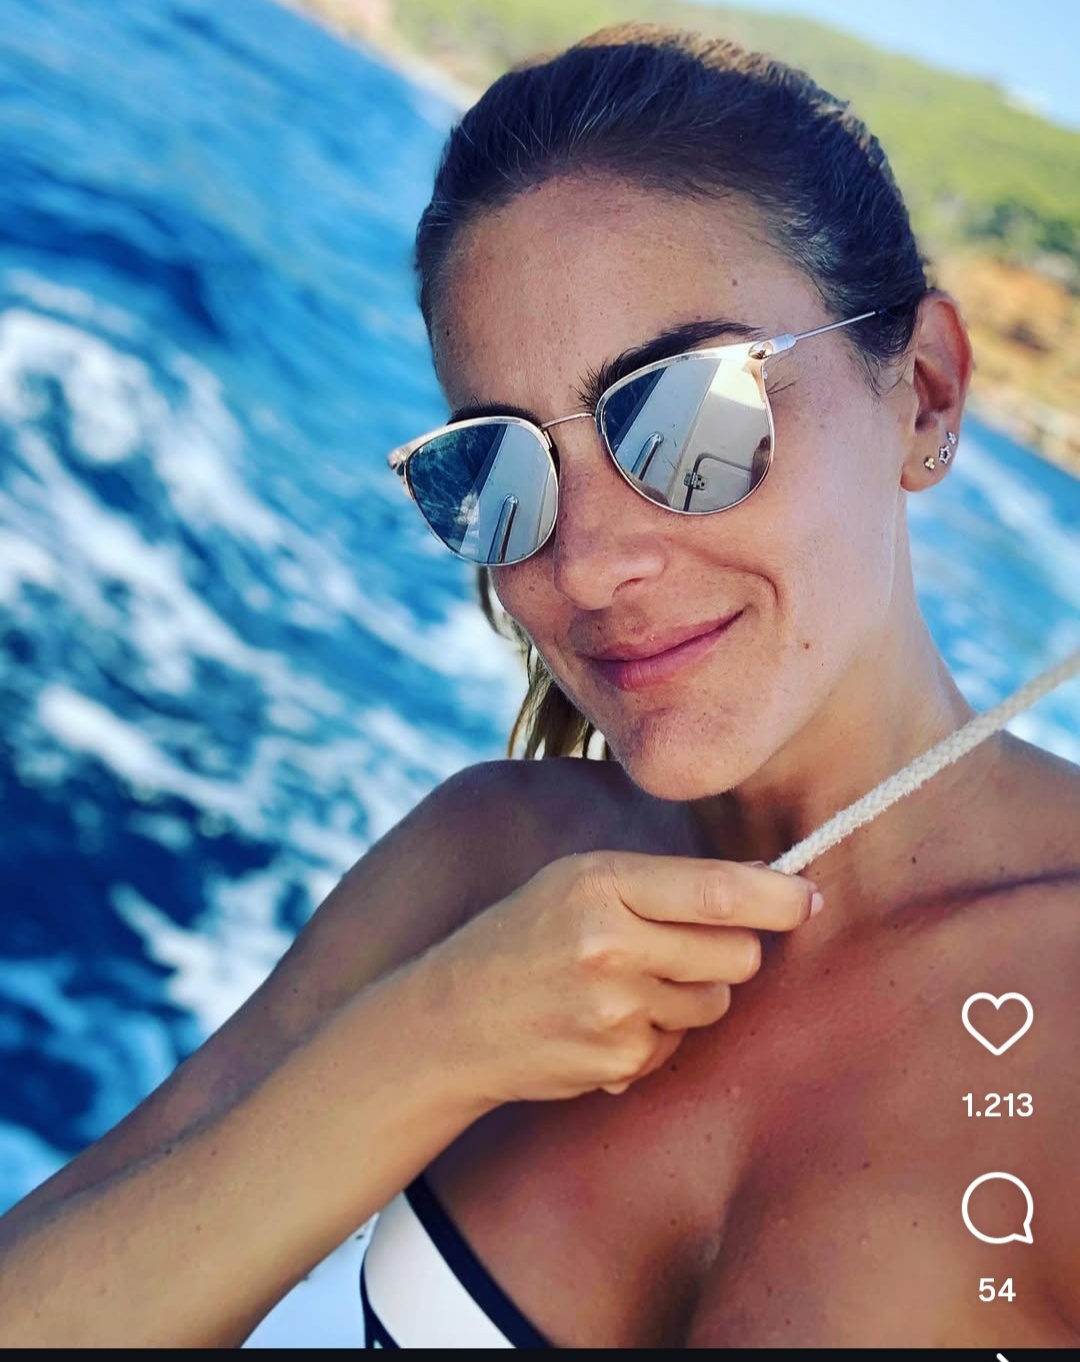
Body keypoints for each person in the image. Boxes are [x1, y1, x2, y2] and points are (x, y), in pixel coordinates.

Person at [1, 22, 1078, 1350]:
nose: (588, 563)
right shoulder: (488, 864)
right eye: (498, 471)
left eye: (689, 418)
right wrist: (430, 1042)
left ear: (923, 393)